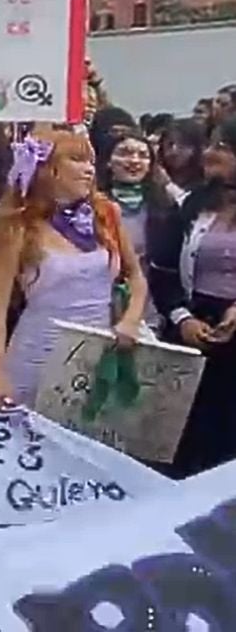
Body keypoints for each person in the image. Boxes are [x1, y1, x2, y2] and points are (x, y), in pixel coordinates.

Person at [0, 132, 148, 409]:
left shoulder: (106, 214)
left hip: (100, 353)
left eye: (91, 161)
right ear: (48, 170)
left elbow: (136, 276)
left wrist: (130, 320)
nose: (89, 169)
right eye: (77, 159)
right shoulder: (18, 227)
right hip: (38, 352)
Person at [149, 118, 236, 477]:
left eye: (223, 147)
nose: (210, 154)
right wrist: (182, 318)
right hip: (193, 327)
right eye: (211, 145)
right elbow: (162, 270)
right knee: (186, 442)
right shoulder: (191, 206)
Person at [96, 129, 173, 330]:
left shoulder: (164, 206)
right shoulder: (92, 204)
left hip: (148, 305)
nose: (134, 160)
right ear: (108, 160)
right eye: (125, 153)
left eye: (143, 155)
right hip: (98, 301)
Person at [159, 118, 209, 203]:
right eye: (169, 144)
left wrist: (168, 185)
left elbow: (189, 207)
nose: (174, 151)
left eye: (183, 144)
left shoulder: (208, 183)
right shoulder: (154, 181)